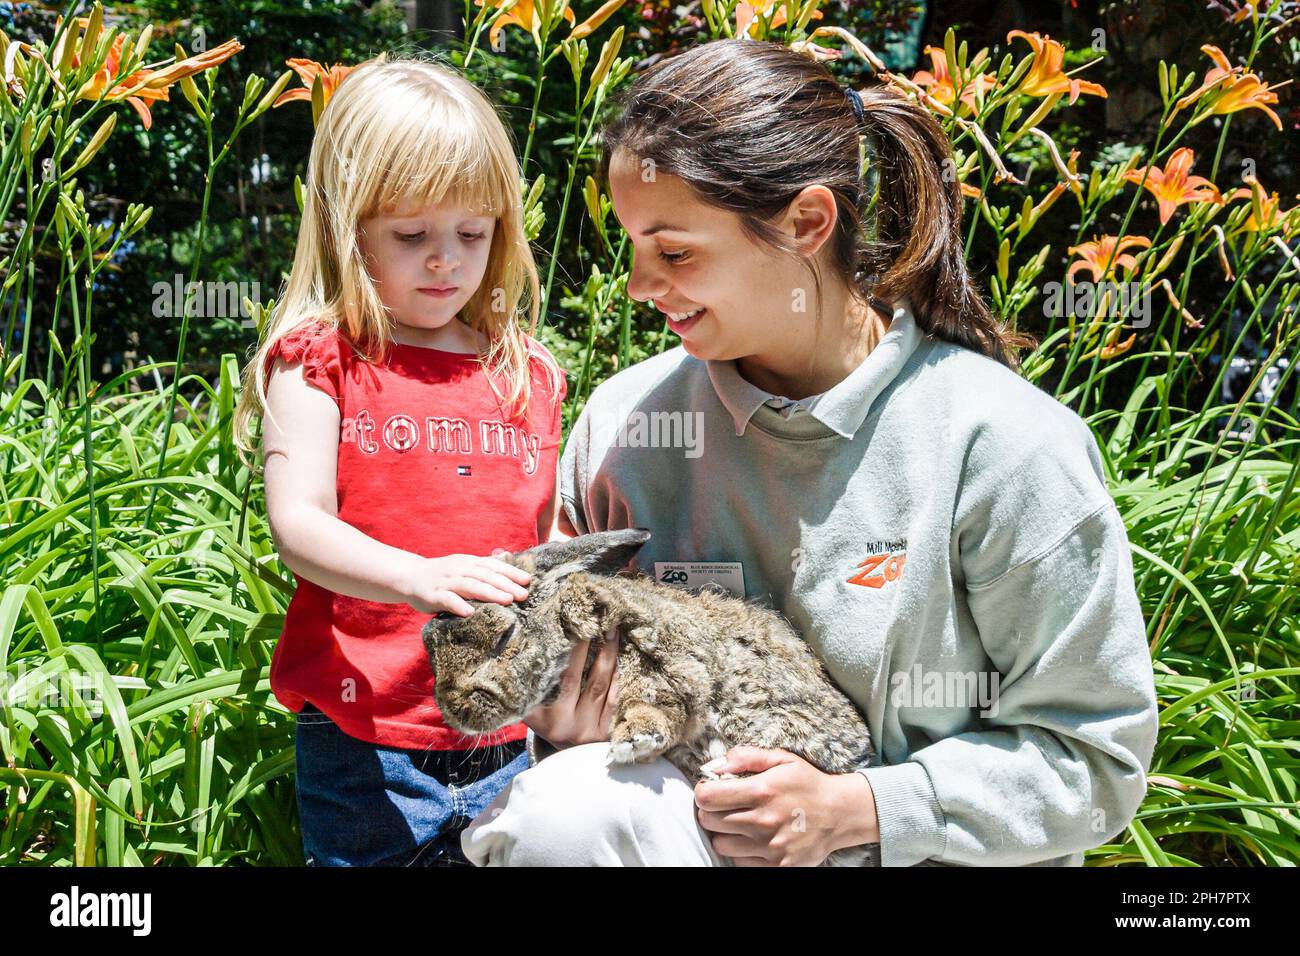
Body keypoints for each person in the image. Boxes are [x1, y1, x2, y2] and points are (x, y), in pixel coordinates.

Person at [461, 38, 1160, 867]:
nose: (639, 287)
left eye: (675, 251)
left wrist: (864, 808)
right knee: (565, 813)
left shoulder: (1004, 447)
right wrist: (571, 716)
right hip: (694, 836)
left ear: (806, 223)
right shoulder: (623, 428)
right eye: (634, 247)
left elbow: (1095, 762)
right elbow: (566, 707)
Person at [231, 54, 568, 866]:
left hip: (507, 722)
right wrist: (418, 578)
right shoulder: (321, 361)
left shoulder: (526, 369)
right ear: (349, 227)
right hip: (365, 733)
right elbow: (298, 523)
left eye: (473, 234)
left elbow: (545, 527)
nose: (446, 259)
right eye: (412, 235)